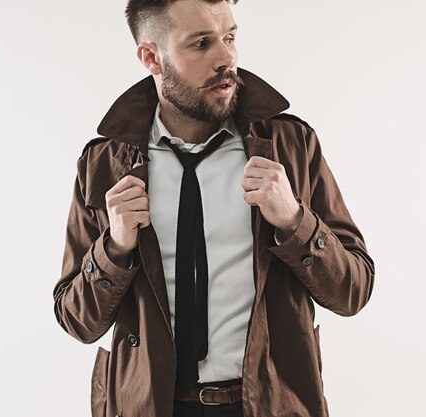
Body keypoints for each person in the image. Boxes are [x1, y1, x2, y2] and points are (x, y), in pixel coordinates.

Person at [52, 0, 375, 416]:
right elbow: (78, 322)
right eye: (201, 43)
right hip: (150, 405)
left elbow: (353, 292)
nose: (227, 59)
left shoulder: (291, 147)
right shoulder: (104, 164)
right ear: (152, 57)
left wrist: (295, 222)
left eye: (230, 37)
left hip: (268, 403)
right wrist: (114, 248)